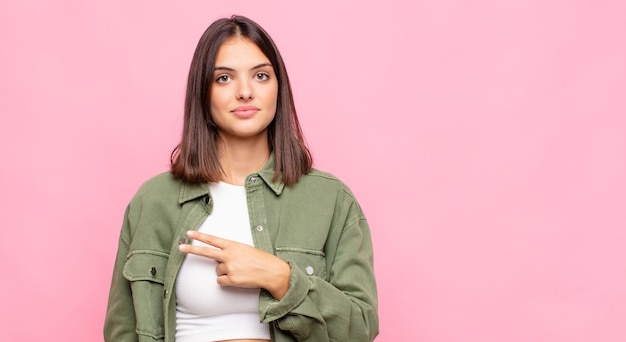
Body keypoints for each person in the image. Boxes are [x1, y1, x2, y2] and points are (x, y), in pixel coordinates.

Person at [104, 15, 378, 342]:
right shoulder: (154, 201)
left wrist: (281, 278)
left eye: (261, 76)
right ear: (202, 93)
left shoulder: (330, 200)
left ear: (279, 88)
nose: (245, 92)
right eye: (224, 78)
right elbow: (122, 332)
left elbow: (360, 329)